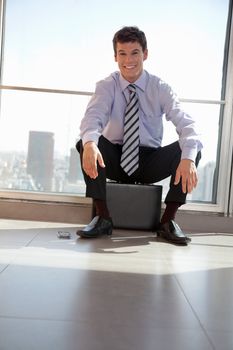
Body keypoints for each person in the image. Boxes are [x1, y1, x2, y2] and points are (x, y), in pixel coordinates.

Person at [76, 26, 202, 245]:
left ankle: (167, 221)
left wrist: (188, 158)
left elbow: (187, 124)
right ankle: (103, 217)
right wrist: (90, 144)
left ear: (145, 54)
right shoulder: (107, 86)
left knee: (191, 149)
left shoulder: (160, 88)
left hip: (148, 161)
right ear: (115, 56)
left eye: (134, 52)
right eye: (122, 53)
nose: (128, 60)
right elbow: (93, 118)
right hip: (114, 157)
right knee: (85, 143)